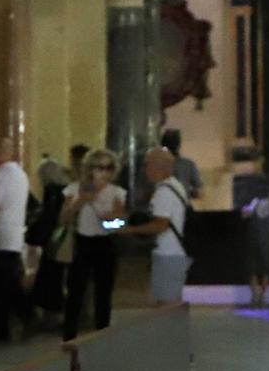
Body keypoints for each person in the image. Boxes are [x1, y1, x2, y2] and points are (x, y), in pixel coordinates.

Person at [59, 148, 126, 340]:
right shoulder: (74, 189)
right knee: (75, 291)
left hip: (105, 243)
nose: (105, 172)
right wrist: (81, 201)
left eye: (109, 168)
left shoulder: (116, 193)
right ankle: (69, 335)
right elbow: (63, 218)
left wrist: (110, 219)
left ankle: (102, 334)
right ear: (90, 169)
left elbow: (121, 224)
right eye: (100, 168)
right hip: (82, 242)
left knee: (103, 293)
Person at [129, 146, 192, 307]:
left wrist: (129, 230)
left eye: (147, 164)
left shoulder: (164, 191)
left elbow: (160, 225)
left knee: (166, 306)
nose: (145, 169)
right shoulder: (174, 186)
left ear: (159, 166)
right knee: (169, 304)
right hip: (174, 253)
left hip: (168, 254)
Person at [0, 136, 32, 342]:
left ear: (1, 152)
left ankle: (0, 328)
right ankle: (26, 315)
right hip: (13, 237)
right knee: (11, 283)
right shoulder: (21, 174)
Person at [26, 157, 71, 326]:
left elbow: (49, 218)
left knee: (50, 278)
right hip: (59, 241)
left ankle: (50, 314)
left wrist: (33, 236)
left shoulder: (53, 192)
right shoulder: (64, 190)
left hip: (55, 242)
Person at [242, 189, 269, 307]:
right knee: (260, 265)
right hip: (263, 238)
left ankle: (257, 294)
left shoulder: (261, 204)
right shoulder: (265, 205)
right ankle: (259, 294)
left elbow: (245, 214)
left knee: (256, 265)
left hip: (259, 238)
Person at [162, 128, 203, 202]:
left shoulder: (155, 165)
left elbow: (199, 191)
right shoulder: (188, 164)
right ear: (179, 145)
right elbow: (199, 192)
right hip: (181, 207)